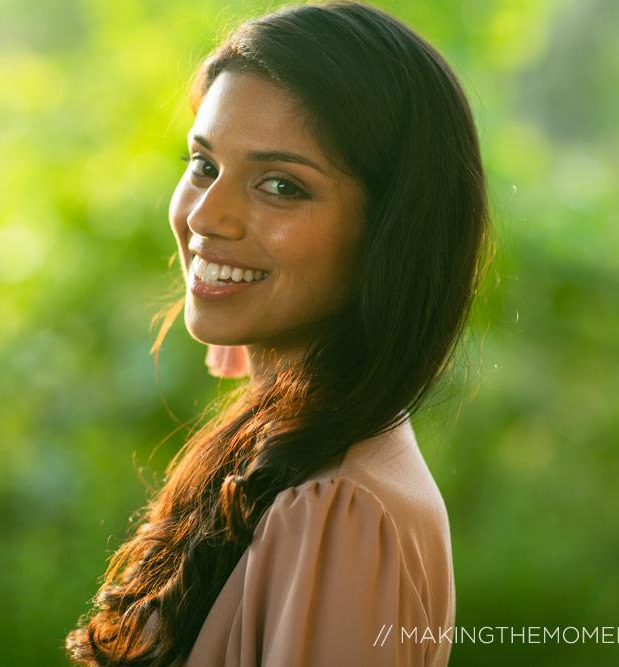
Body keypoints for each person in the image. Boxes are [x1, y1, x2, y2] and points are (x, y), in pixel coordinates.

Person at [67, 1, 491, 665]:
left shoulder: (339, 511)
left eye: (279, 184)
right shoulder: (301, 456)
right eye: (203, 164)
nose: (207, 215)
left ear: (390, 234)